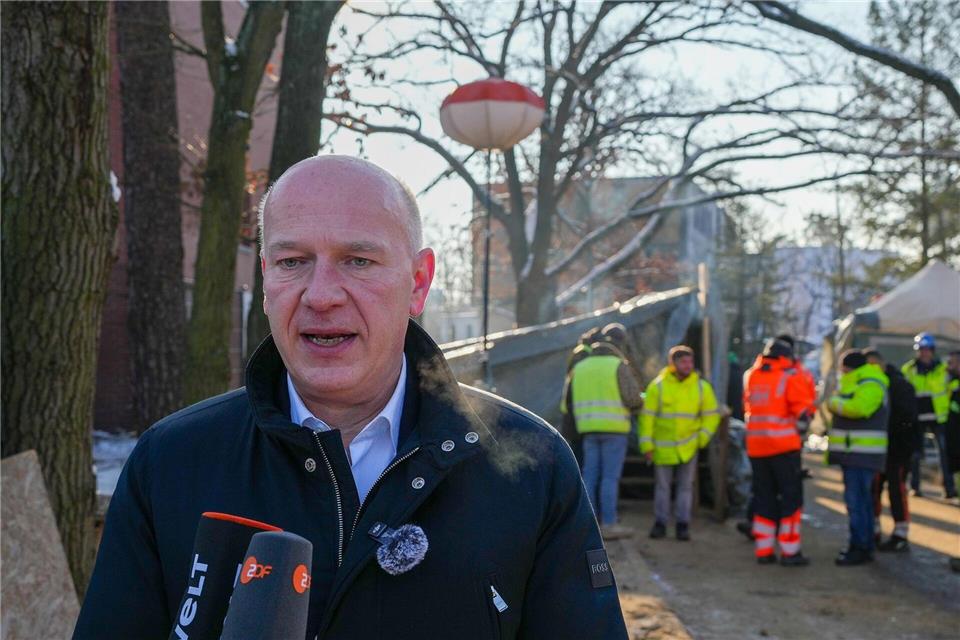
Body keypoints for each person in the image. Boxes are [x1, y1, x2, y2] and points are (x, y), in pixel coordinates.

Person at [74, 157, 628, 639]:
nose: (320, 295)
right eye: (293, 261)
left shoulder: (532, 464)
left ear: (417, 281)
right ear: (267, 277)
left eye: (358, 261)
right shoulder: (172, 462)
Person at [743, 338, 816, 566]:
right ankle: (789, 551)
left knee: (763, 498)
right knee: (790, 500)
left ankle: (763, 550)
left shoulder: (751, 376)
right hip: (784, 448)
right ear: (786, 356)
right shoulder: (789, 375)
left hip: (757, 447)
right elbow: (804, 414)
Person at [640, 345, 720, 541]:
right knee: (663, 487)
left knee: (685, 487)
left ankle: (682, 526)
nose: (688, 365)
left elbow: (711, 416)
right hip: (662, 447)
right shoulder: (657, 387)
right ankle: (660, 524)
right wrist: (647, 445)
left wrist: (701, 438)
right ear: (672, 364)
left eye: (690, 361)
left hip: (689, 446)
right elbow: (647, 418)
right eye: (684, 361)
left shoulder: (702, 387)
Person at [569, 341, 642, 540]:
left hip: (588, 429)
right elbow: (632, 398)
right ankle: (609, 523)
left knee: (590, 476)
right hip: (615, 429)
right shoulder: (617, 365)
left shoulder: (579, 368)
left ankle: (587, 523)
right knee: (609, 478)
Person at [827, 349, 889, 566]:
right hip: (855, 455)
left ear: (848, 368)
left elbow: (860, 409)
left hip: (863, 456)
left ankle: (860, 546)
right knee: (860, 501)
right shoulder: (857, 382)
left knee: (857, 502)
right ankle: (862, 545)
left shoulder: (870, 383)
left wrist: (833, 403)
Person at [864, 348, 918, 552]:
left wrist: (903, 447)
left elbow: (907, 419)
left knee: (897, 490)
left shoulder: (899, 386)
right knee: (874, 490)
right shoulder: (871, 385)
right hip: (877, 449)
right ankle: (874, 529)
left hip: (897, 451)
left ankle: (900, 533)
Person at [902, 332, 954, 498]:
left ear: (932, 350)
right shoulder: (908, 369)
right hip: (917, 418)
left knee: (945, 454)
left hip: (939, 417)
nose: (925, 352)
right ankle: (915, 487)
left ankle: (949, 489)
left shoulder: (943, 369)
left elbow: (951, 387)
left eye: (928, 349)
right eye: (922, 349)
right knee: (916, 455)